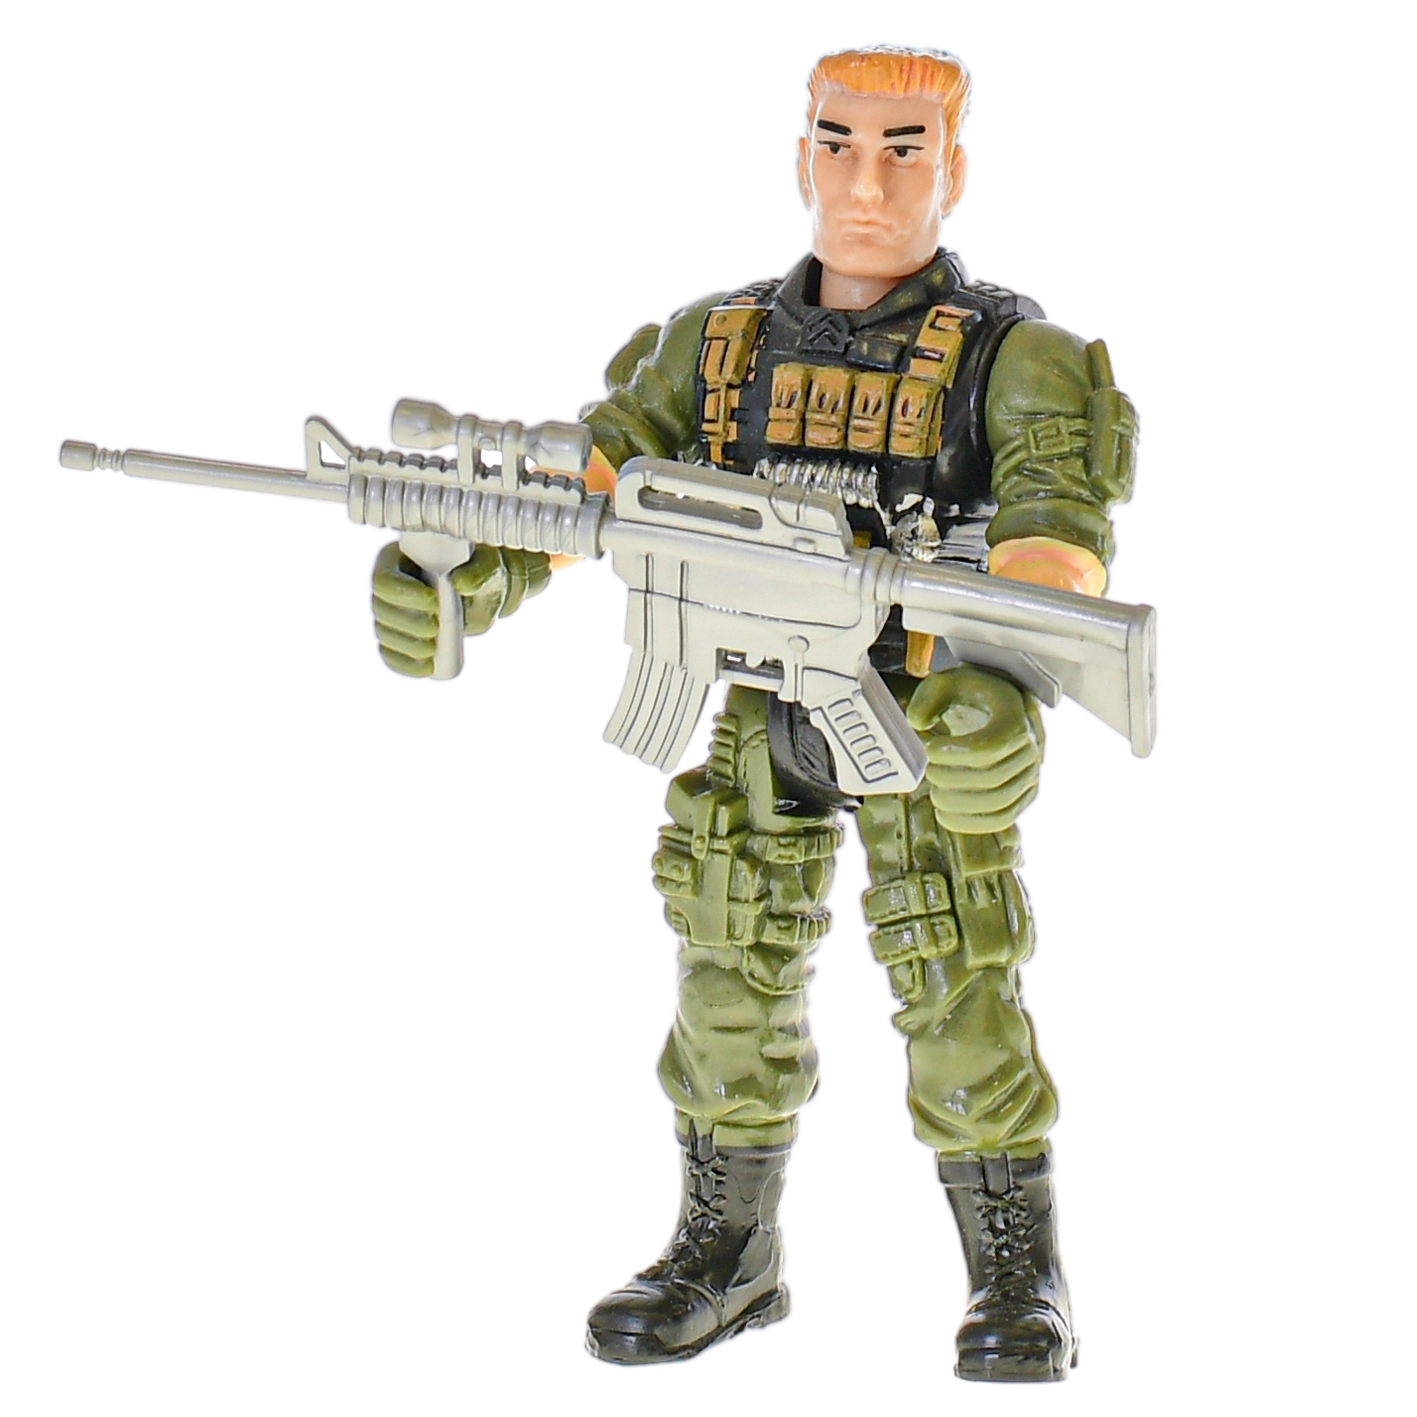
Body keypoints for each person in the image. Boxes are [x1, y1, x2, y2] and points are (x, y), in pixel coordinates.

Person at [371, 46, 1138, 1384]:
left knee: (956, 983)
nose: (864, 182)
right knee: (728, 972)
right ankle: (727, 1252)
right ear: (799, 157)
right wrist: (464, 569)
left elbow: (1051, 534)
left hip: (913, 705)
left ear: (954, 168)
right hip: (755, 704)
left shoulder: (1018, 361)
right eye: (837, 143)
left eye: (902, 148)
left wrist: (998, 686)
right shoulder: (713, 347)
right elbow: (594, 481)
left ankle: (1015, 1270)